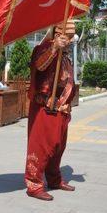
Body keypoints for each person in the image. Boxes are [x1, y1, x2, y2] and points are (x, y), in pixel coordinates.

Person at [24, 20, 78, 201]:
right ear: (57, 35)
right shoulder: (44, 48)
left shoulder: (66, 54)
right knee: (41, 147)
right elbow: (40, 66)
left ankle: (54, 179)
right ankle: (34, 184)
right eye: (68, 36)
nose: (71, 40)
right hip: (44, 108)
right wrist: (54, 47)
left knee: (58, 147)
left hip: (61, 108)